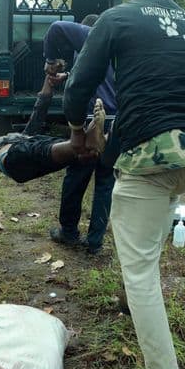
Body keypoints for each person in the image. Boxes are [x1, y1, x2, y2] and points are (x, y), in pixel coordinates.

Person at [63, 0, 185, 369]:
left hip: (152, 156)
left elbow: (78, 87)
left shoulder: (118, 17)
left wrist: (77, 129)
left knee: (141, 272)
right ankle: (129, 300)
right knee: (147, 226)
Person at [43, 14, 116, 255]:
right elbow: (97, 75)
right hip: (115, 122)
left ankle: (69, 232)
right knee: (105, 182)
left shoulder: (90, 35)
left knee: (76, 177)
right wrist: (67, 75)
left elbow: (55, 28)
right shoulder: (118, 46)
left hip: (91, 120)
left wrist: (51, 61)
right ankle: (95, 241)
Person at [0, 74, 106, 183]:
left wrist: (48, 82)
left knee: (51, 146)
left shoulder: (25, 136)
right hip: (13, 161)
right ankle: (83, 143)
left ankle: (87, 149)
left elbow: (39, 111)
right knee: (39, 147)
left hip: (27, 166)